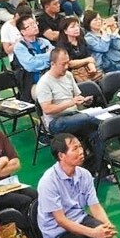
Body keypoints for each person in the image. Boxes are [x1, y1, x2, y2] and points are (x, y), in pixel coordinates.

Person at [36, 133, 118, 238]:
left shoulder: (84, 174)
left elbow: (95, 206)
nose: (81, 152)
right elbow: (61, 221)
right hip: (58, 234)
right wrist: (94, 233)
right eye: (75, 149)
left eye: (80, 147)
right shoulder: (48, 182)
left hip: (80, 219)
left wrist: (106, 226)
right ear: (61, 156)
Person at [37, 47, 107, 176]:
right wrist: (70, 103)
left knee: (96, 133)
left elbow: (77, 96)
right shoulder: (44, 83)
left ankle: (99, 170)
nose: (66, 66)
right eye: (63, 64)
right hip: (57, 122)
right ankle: (104, 121)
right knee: (86, 119)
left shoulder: (68, 75)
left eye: (68, 63)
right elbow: (47, 109)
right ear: (52, 64)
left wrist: (85, 101)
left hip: (75, 116)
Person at [82, 9, 120, 74]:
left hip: (117, 63)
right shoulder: (88, 38)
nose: (99, 21)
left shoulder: (106, 32)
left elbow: (117, 46)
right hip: (104, 68)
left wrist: (113, 32)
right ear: (88, 23)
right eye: (95, 20)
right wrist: (105, 32)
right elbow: (103, 48)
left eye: (99, 19)